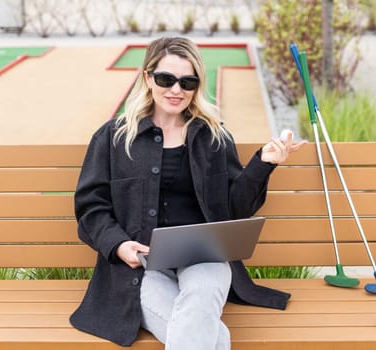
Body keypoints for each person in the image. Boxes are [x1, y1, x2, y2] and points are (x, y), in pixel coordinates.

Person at [70, 37, 307, 349]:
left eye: (188, 82)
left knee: (201, 299)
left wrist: (263, 164)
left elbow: (235, 209)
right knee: (211, 336)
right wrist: (118, 245)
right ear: (147, 78)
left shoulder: (214, 137)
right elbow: (91, 207)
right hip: (140, 266)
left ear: (197, 86)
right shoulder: (113, 138)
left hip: (204, 258)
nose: (176, 90)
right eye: (166, 79)